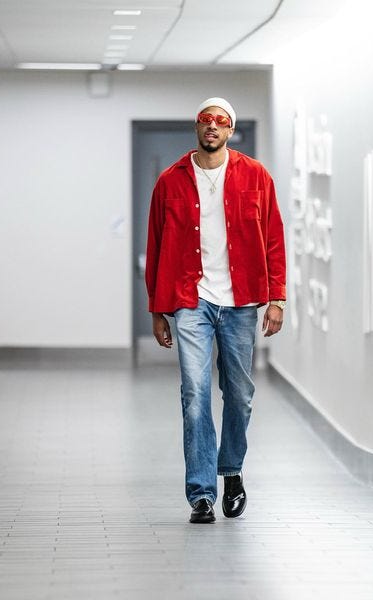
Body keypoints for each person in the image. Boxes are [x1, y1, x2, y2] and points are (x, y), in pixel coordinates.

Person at [145, 97, 286, 523]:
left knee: (239, 395)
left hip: (241, 301)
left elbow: (274, 238)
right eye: (206, 120)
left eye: (220, 121)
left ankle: (232, 471)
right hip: (192, 300)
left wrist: (277, 297)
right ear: (196, 127)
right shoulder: (170, 181)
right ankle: (202, 493)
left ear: (230, 130)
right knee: (194, 393)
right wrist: (157, 308)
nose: (212, 126)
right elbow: (155, 245)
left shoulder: (256, 176)